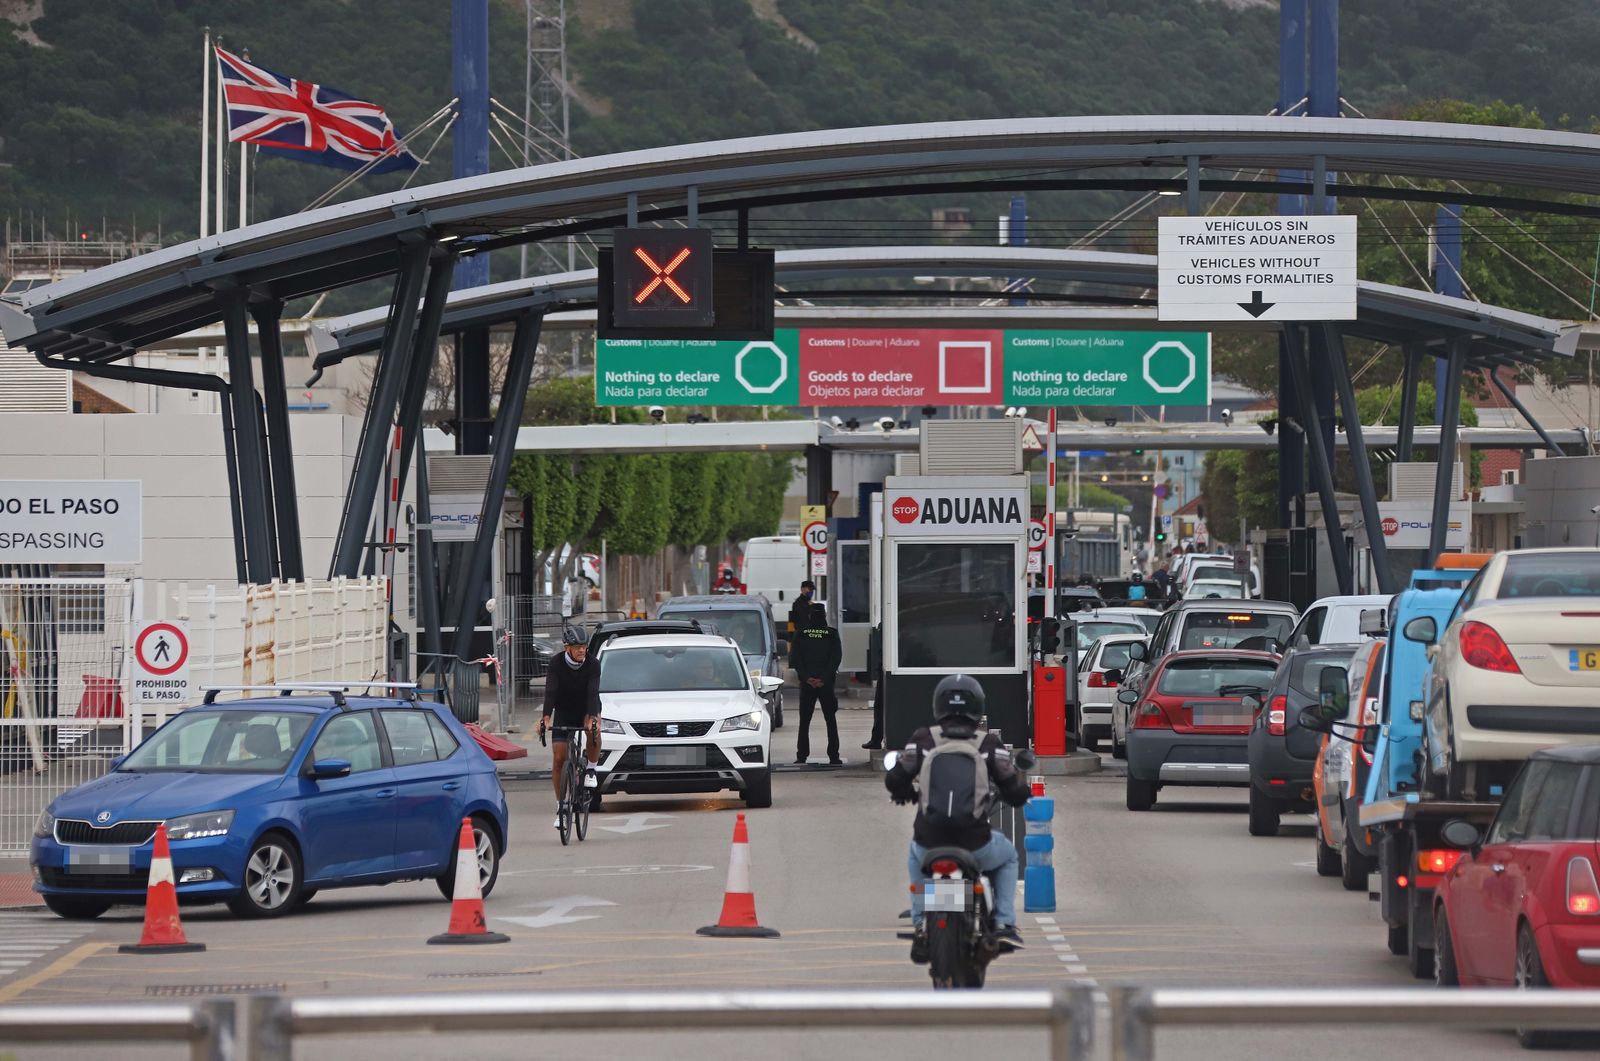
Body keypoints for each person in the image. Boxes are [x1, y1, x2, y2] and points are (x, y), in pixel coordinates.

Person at [886, 674, 1031, 955]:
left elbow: (895, 779)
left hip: (930, 840)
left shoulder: (923, 739)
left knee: (915, 855)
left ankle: (920, 923)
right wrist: (1021, 793)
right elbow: (1012, 787)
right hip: (975, 843)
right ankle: (1004, 923)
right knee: (1009, 857)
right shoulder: (988, 744)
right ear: (978, 707)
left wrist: (903, 791)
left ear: (938, 705)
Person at [538, 623, 602, 830]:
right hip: (564, 710)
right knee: (559, 758)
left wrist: (592, 717)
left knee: (593, 729)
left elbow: (593, 693)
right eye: (577, 646)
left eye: (584, 646)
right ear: (567, 648)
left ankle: (591, 770)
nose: (582, 650)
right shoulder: (556, 664)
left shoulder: (593, 663)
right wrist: (546, 717)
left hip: (586, 706)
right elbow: (550, 692)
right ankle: (561, 807)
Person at [791, 601, 842, 764]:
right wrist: (824, 679)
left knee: (804, 721)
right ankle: (834, 756)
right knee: (830, 720)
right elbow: (836, 658)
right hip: (825, 685)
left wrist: (807, 678)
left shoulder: (801, 633)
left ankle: (801, 756)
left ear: (810, 616)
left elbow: (796, 659)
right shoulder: (831, 634)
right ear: (825, 616)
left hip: (807, 685)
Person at [862, 622, 884, 750]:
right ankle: (876, 739)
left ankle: (876, 739)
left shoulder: (887, 623)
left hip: (888, 670)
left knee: (880, 707)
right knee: (880, 707)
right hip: (887, 669)